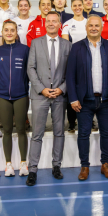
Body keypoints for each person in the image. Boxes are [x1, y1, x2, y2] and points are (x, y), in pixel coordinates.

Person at [66, 15, 108, 181]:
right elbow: (70, 76)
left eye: (96, 26)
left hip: (107, 100)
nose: (93, 28)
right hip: (84, 100)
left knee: (107, 133)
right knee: (83, 134)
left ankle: (105, 164)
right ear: (86, 27)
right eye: (90, 25)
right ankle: (85, 166)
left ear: (101, 27)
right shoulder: (76, 48)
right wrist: (73, 98)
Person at [25, 11, 72, 186]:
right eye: (48, 21)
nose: (51, 24)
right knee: (37, 134)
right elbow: (31, 68)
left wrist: (61, 89)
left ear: (60, 24)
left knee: (59, 132)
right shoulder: (36, 43)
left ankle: (56, 166)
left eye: (55, 21)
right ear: (45, 24)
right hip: (40, 95)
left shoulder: (67, 45)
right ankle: (32, 170)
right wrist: (41, 89)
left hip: (60, 96)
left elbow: (71, 71)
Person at [0, 21, 30, 177]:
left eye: (12, 30)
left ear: (17, 33)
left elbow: (30, 71)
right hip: (2, 95)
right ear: (2, 32)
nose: (9, 33)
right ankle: (8, 164)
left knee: (21, 129)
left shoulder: (25, 50)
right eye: (6, 30)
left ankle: (24, 163)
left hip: (21, 95)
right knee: (7, 130)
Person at [61, 0, 87, 132]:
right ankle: (71, 121)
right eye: (75, 6)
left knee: (88, 90)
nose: (77, 8)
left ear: (83, 6)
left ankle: (88, 118)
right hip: (73, 60)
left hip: (88, 60)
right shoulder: (67, 24)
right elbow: (66, 45)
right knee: (72, 90)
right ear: (71, 7)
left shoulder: (88, 22)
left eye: (79, 5)